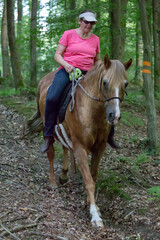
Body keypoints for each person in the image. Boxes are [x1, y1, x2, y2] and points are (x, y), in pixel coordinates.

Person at [41, 10, 121, 153]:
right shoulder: (68, 34)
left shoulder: (95, 39)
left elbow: (96, 60)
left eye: (92, 23)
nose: (89, 25)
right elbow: (57, 54)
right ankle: (48, 136)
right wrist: (66, 66)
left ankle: (109, 135)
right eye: (86, 22)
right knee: (52, 97)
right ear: (80, 21)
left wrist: (99, 69)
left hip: (88, 74)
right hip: (68, 70)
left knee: (108, 96)